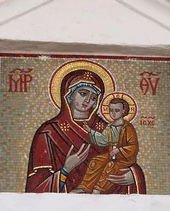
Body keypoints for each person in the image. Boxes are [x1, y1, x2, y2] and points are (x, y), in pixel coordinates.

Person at [25, 63, 146, 194]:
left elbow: (126, 156)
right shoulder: (48, 132)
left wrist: (134, 176)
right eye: (83, 93)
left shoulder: (108, 127)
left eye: (93, 97)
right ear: (69, 94)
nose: (88, 100)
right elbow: (36, 188)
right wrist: (66, 169)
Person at [72, 98, 139, 194]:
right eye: (111, 110)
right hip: (111, 154)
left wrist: (119, 150)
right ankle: (85, 187)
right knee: (96, 161)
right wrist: (90, 131)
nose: (113, 113)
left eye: (117, 110)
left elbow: (133, 146)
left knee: (110, 166)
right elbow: (103, 139)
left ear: (123, 111)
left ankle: (98, 189)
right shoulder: (110, 127)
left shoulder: (127, 127)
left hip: (124, 158)